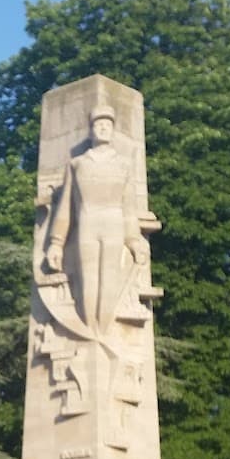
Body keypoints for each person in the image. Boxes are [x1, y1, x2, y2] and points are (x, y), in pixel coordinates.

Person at [42, 104, 151, 336]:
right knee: (87, 281)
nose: (103, 128)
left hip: (113, 223)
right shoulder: (77, 164)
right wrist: (57, 242)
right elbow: (65, 209)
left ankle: (104, 330)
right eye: (98, 125)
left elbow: (129, 209)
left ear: (112, 130)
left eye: (107, 125)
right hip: (88, 222)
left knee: (110, 279)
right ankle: (91, 329)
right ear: (91, 131)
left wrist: (133, 240)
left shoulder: (124, 165)